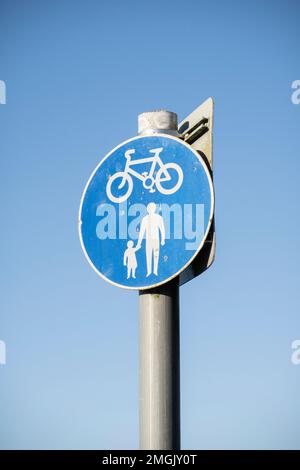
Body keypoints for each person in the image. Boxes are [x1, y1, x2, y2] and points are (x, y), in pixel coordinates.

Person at [136, 202, 165, 277]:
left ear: (154, 209)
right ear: (147, 209)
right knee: (148, 255)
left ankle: (155, 271)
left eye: (152, 208)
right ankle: (149, 271)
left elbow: (162, 229)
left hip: (156, 239)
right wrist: (139, 243)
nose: (151, 209)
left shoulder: (158, 218)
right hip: (148, 240)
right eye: (149, 208)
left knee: (156, 255)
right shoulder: (145, 219)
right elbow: (142, 232)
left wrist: (163, 239)